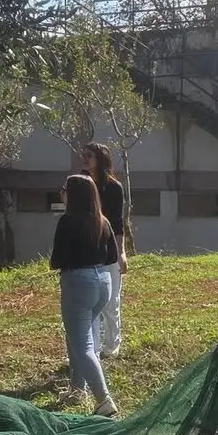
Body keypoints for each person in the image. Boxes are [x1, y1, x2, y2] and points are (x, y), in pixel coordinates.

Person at [50, 171, 120, 416]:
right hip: (103, 282)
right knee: (78, 335)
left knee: (83, 346)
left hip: (78, 283)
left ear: (73, 195)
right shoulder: (103, 221)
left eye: (65, 189)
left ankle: (104, 400)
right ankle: (77, 387)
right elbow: (112, 257)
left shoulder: (67, 221)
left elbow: (55, 260)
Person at [83, 143, 130, 358]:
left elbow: (118, 223)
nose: (85, 159)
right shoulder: (82, 185)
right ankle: (93, 346)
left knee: (111, 301)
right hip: (87, 251)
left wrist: (121, 252)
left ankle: (112, 347)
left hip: (109, 250)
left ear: (100, 159)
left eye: (89, 156)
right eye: (83, 155)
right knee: (90, 302)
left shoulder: (114, 187)